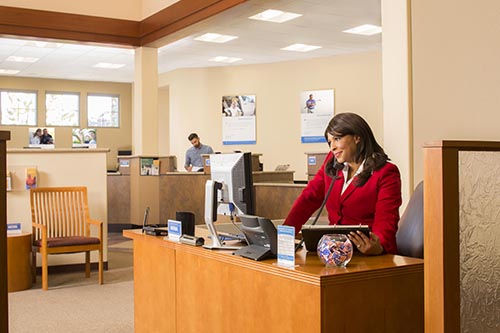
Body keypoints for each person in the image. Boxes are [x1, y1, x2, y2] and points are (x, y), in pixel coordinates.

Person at [284, 112, 402, 255]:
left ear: (357, 137)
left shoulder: (386, 172)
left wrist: (379, 245)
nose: (332, 147)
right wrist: (286, 234)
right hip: (333, 252)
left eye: (337, 139)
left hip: (368, 253)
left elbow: (387, 218)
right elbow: (309, 198)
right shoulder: (332, 164)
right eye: (330, 142)